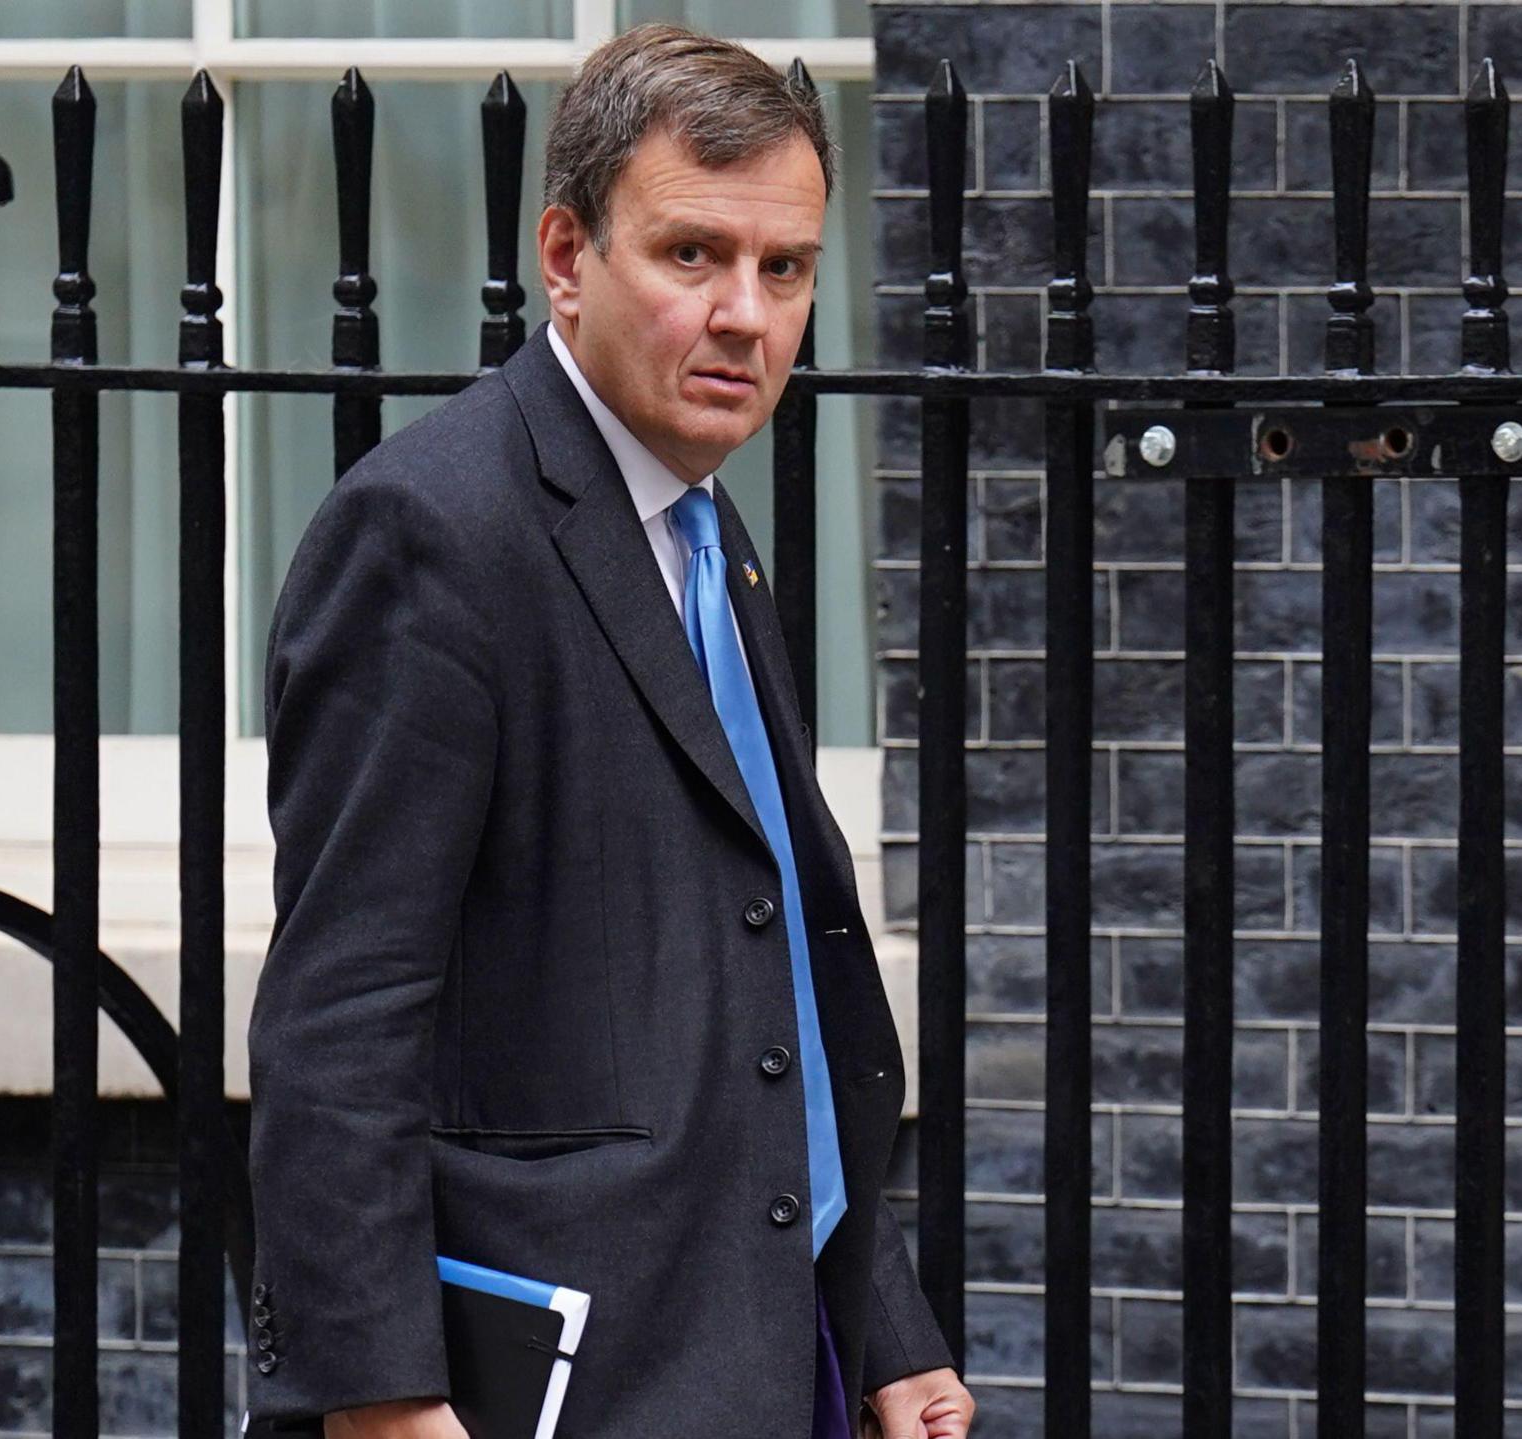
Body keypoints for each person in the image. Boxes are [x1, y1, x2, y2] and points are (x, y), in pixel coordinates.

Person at [242, 23, 974, 1439]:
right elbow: (343, 1013)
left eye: (786, 268)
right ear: (567, 258)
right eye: (693, 254)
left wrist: (880, 1319)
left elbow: (778, 983)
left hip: (758, 1356)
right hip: (555, 1385)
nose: (748, 316)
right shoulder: (432, 532)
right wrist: (385, 1401)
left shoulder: (704, 532)